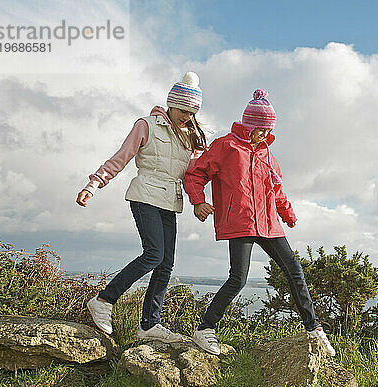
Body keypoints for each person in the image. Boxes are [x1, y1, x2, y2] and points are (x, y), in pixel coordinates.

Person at [183, 89, 336, 356]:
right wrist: (198, 201)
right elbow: (195, 174)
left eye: (268, 130)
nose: (264, 134)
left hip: (269, 223)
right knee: (238, 279)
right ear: (250, 125)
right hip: (240, 220)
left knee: (294, 271)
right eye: (261, 129)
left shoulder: (268, 155)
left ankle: (314, 330)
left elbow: (276, 191)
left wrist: (287, 214)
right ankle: (205, 329)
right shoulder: (226, 146)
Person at [76, 72, 206, 343]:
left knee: (166, 264)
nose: (186, 115)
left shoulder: (191, 138)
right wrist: (93, 184)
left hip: (170, 200)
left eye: (191, 111)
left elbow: (195, 173)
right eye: (183, 109)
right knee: (154, 255)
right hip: (145, 194)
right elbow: (120, 158)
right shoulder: (146, 125)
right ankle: (104, 300)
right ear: (171, 103)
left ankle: (148, 325)